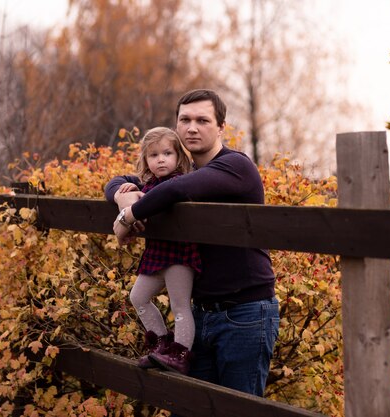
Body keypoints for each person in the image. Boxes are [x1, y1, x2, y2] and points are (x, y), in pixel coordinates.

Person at [106, 89, 279, 397]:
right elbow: (117, 180)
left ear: (221, 127)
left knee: (239, 410)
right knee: (191, 406)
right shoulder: (178, 169)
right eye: (184, 120)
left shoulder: (234, 166)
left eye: (202, 120)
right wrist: (122, 194)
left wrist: (128, 216)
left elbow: (176, 190)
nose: (192, 127)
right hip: (200, 314)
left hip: (244, 313)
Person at [115, 127, 201, 375]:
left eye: (166, 153)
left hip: (179, 254)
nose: (160, 159)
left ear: (178, 157)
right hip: (157, 252)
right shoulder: (147, 184)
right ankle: (162, 343)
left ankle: (180, 353)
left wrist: (137, 197)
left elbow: (160, 198)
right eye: (153, 155)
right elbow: (133, 191)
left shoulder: (181, 182)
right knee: (138, 297)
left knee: (180, 304)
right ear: (146, 160)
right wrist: (130, 192)